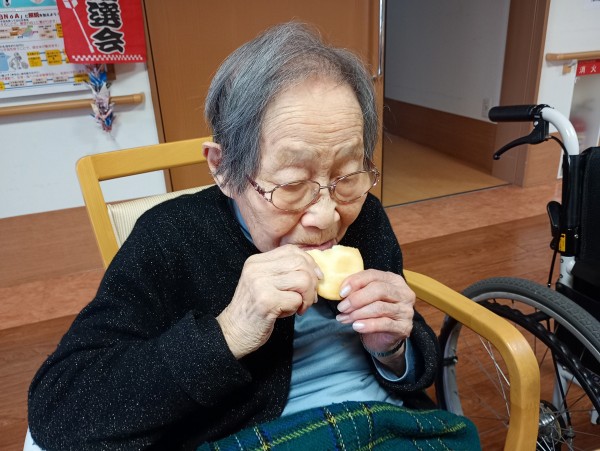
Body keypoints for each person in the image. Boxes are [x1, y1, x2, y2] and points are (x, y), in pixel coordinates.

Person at [28, 23, 447, 450]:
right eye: (292, 185)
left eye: (348, 174)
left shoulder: (363, 215)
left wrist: (392, 349)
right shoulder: (170, 237)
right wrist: (227, 333)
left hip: (387, 425)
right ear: (224, 169)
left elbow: (417, 366)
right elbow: (58, 412)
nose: (326, 217)